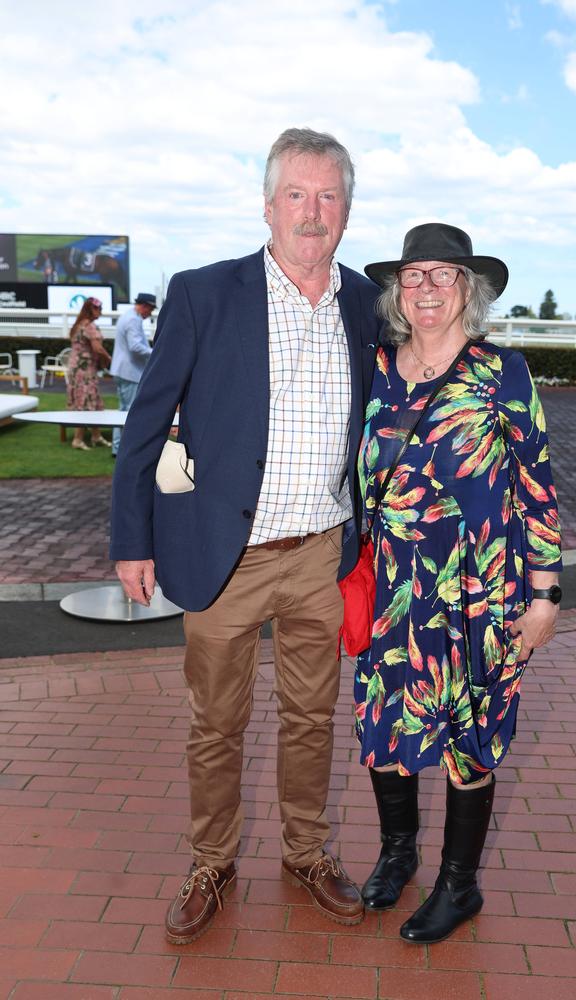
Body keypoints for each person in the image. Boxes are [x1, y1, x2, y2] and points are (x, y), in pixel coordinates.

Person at [110, 127, 382, 942]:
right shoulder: (204, 293)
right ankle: (211, 861)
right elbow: (145, 422)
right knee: (216, 722)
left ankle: (306, 852)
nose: (312, 212)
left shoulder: (368, 303)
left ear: (346, 209)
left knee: (311, 719)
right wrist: (133, 539)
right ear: (268, 206)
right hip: (224, 556)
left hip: (321, 555)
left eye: (328, 196)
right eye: (296, 195)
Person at [355, 223, 562, 943]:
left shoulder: (502, 370)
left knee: (468, 735)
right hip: (392, 589)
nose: (427, 289)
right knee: (385, 725)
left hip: (480, 593)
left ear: (467, 290)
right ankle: (397, 853)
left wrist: (545, 595)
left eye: (443, 275)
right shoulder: (374, 368)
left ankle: (458, 883)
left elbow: (536, 484)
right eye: (414, 277)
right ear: (397, 292)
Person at [109, 292, 156, 455]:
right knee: (128, 411)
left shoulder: (128, 316)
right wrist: (156, 352)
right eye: (150, 309)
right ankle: (123, 448)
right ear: (144, 306)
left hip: (123, 370)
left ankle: (117, 447)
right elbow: (135, 347)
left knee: (122, 410)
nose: (150, 313)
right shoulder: (133, 320)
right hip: (130, 372)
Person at [66, 296, 112, 450]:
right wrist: (109, 359)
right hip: (84, 370)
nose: (100, 311)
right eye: (97, 308)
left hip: (78, 369)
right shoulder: (89, 326)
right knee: (85, 402)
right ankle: (77, 439)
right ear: (89, 309)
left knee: (94, 400)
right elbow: (97, 348)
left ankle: (96, 435)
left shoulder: (78, 325)